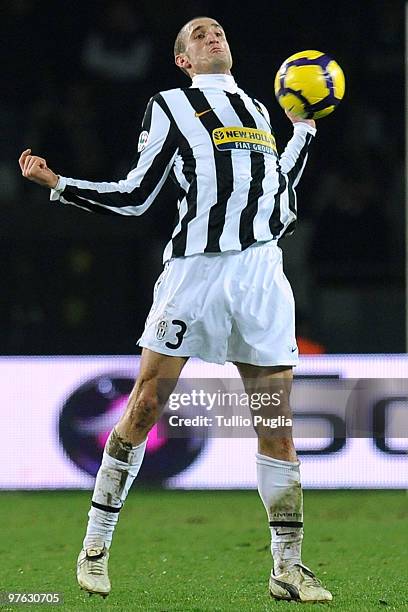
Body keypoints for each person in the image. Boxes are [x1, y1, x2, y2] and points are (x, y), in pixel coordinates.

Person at [19, 16, 332, 604]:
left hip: (262, 275)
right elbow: (138, 196)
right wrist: (60, 184)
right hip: (196, 274)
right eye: (198, 34)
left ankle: (287, 568)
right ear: (184, 61)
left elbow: (278, 195)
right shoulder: (170, 106)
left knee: (276, 424)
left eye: (218, 31)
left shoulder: (263, 113)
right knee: (143, 406)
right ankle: (95, 547)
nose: (213, 35)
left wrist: (303, 133)